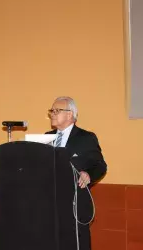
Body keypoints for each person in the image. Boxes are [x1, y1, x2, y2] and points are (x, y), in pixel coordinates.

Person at [45, 96, 107, 250]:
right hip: (49, 206)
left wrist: (89, 175)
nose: (52, 113)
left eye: (56, 110)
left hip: (75, 204)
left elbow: (100, 166)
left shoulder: (86, 138)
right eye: (51, 111)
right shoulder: (46, 137)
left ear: (70, 114)